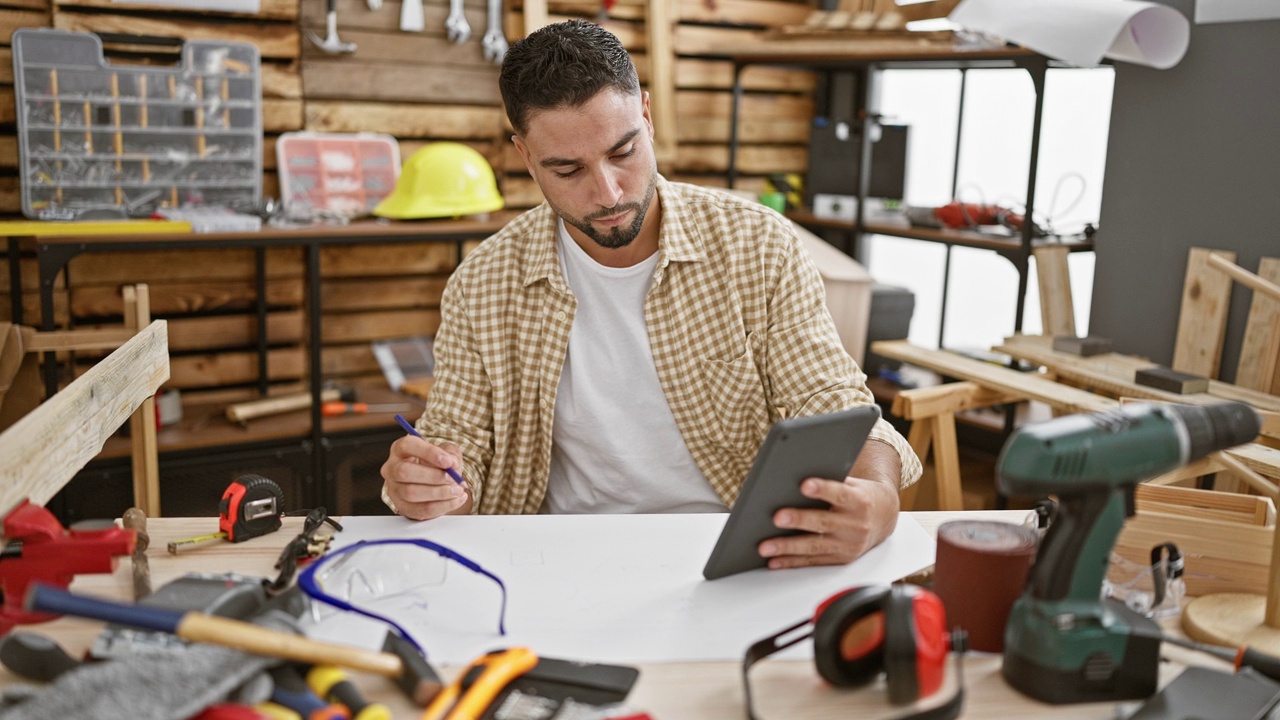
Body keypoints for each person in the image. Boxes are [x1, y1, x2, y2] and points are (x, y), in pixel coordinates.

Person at [381, 19, 922, 569]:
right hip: (555, 558)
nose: (608, 192)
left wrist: (877, 499)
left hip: (731, 550)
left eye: (623, 152)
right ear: (525, 154)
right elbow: (458, 448)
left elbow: (832, 402)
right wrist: (433, 484)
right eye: (567, 169)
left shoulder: (758, 246)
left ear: (646, 113)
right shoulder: (482, 284)